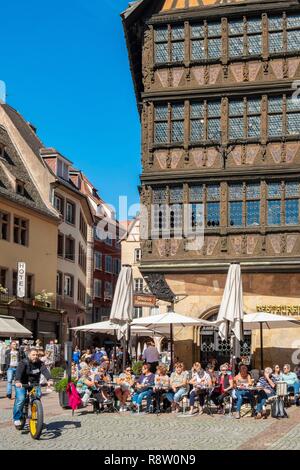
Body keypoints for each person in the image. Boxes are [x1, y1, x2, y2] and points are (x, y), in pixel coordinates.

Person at [13, 348, 53, 427]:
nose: (35, 356)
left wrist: (49, 379)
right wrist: (17, 381)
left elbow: (45, 370)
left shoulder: (40, 363)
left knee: (37, 396)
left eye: (37, 355)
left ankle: (36, 415)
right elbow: (18, 372)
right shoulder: (23, 362)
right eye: (33, 355)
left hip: (34, 383)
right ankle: (17, 418)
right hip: (22, 383)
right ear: (29, 355)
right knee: (21, 399)